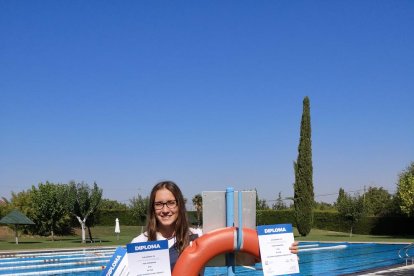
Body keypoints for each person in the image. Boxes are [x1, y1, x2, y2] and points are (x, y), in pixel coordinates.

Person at [131, 180, 299, 272]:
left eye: (170, 203)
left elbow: (237, 241)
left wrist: (285, 251)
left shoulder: (197, 235)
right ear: (153, 208)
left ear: (179, 205)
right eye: (159, 204)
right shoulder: (139, 244)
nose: (165, 210)